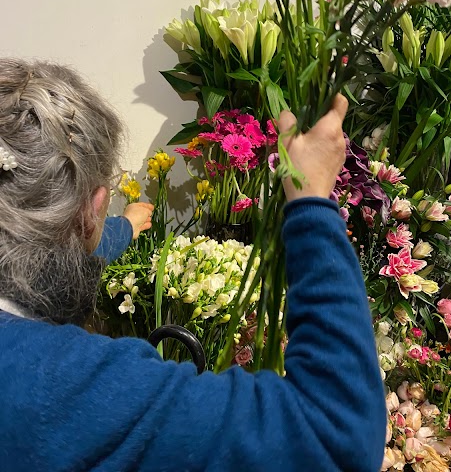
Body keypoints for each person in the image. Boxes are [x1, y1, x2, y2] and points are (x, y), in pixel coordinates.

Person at [0, 59, 386, 472]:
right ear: (90, 209)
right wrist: (311, 199)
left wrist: (126, 227)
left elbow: (79, 247)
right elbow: (337, 434)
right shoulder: (69, 386)